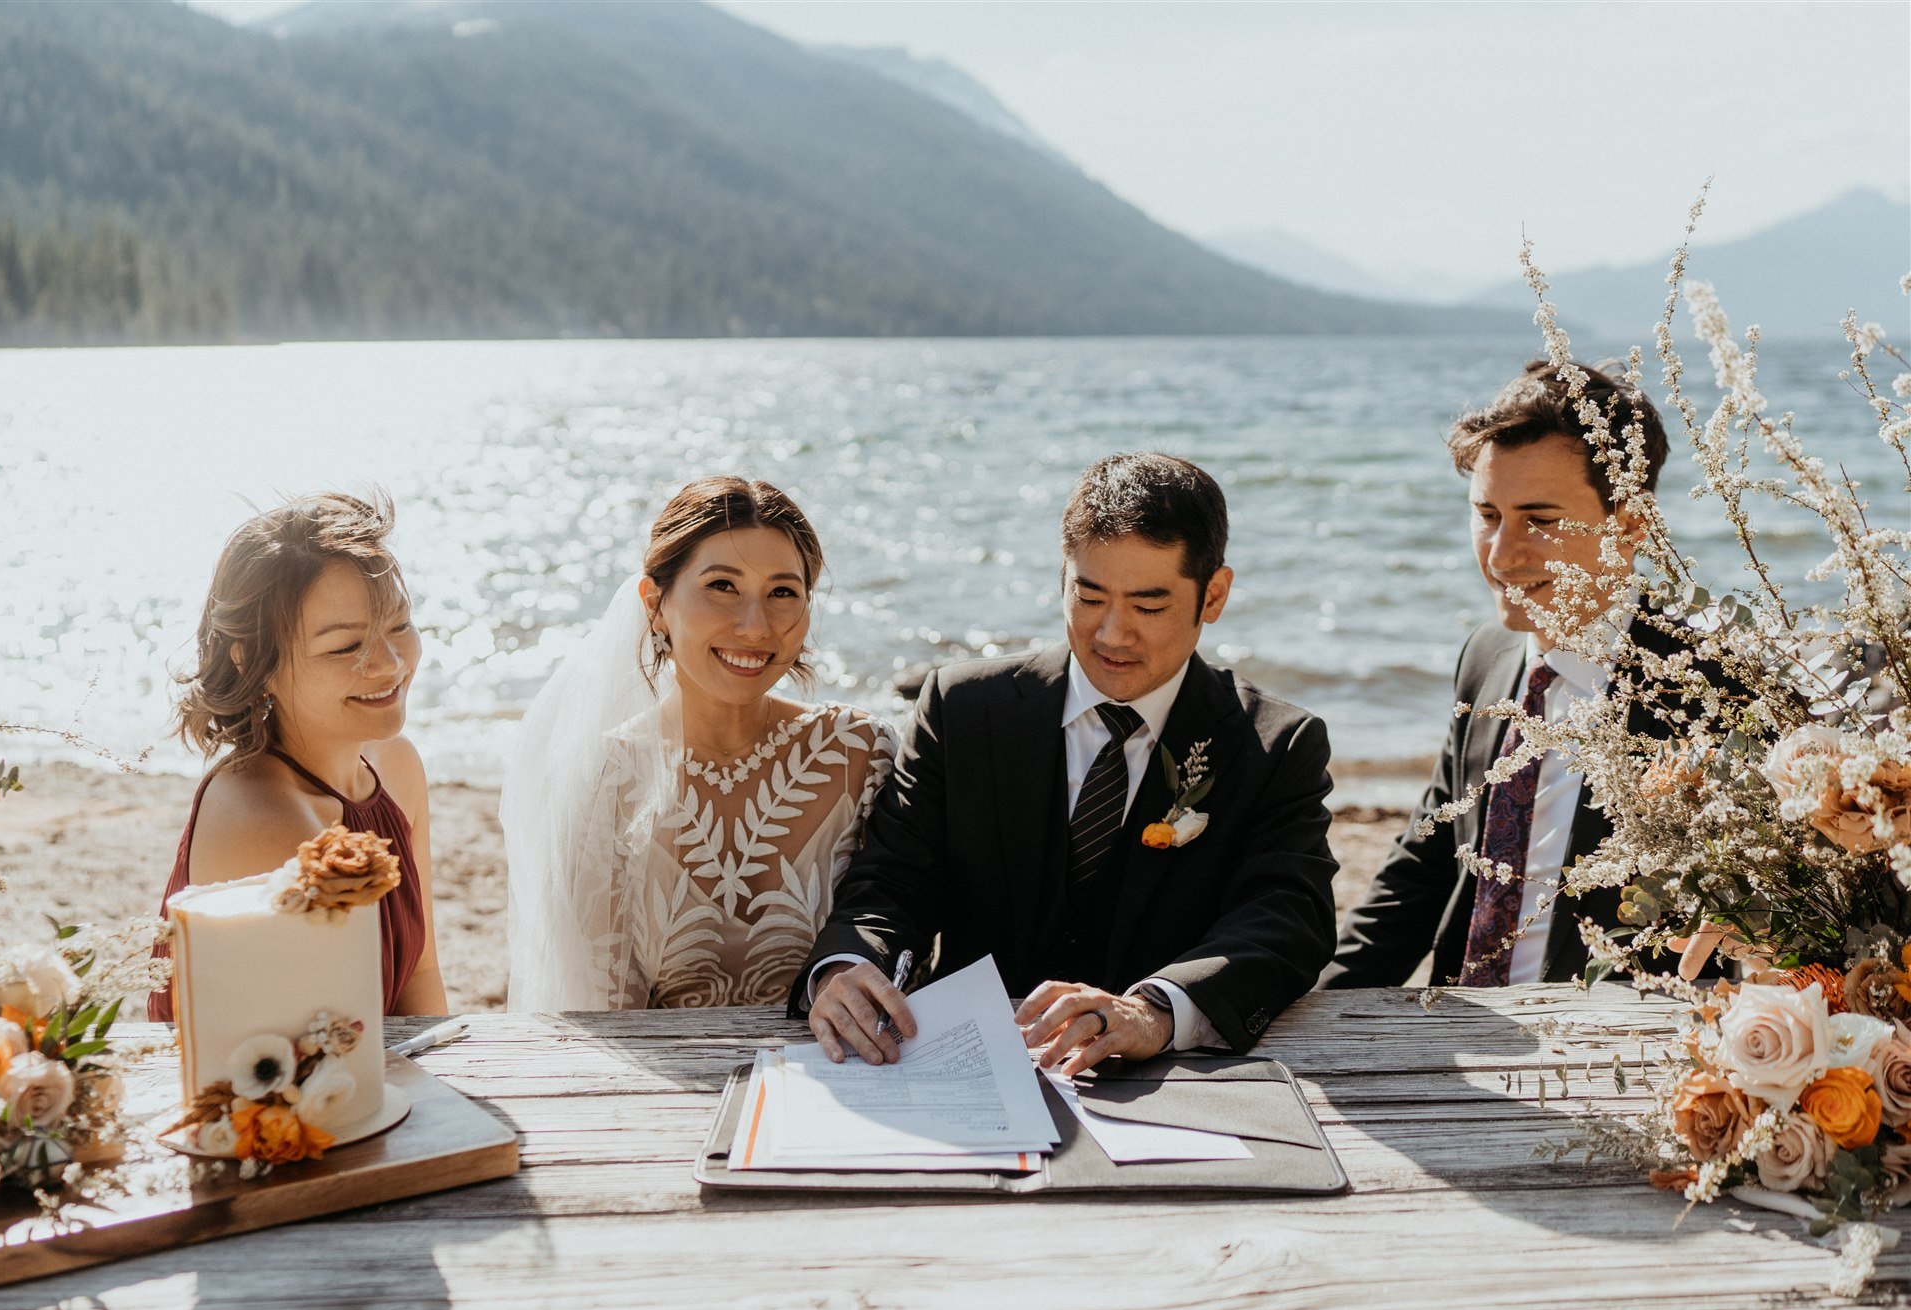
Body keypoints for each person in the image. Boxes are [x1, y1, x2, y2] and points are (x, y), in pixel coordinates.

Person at [796, 452, 1338, 1075]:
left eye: (1149, 606)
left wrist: (1155, 1012)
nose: (1111, 634)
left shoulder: (1278, 743)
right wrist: (845, 967)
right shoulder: (962, 707)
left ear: (1212, 595)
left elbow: (1287, 918)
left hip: (1169, 1080)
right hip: (965, 1068)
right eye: (1088, 595)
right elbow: (892, 880)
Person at [1323, 359, 1672, 989]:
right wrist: (1309, 1015)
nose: (1502, 554)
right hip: (1467, 1030)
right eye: (1487, 515)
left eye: (1540, 520)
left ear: (1630, 527)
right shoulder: (1486, 657)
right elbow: (1425, 866)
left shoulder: (1712, 691)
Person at [503, 476, 896, 1012]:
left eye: (783, 592)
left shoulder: (861, 752)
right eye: (722, 586)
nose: (756, 627)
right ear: (655, 603)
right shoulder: (601, 777)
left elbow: (900, 945)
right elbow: (602, 1012)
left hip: (842, 1077)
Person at [150, 491, 447, 1020]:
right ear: (253, 663)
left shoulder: (395, 765)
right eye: (344, 647)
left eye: (399, 625)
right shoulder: (262, 819)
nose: (390, 663)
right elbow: (307, 1044)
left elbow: (419, 974)